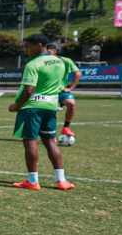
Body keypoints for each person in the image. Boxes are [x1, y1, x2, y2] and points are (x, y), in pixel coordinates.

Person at [9, 35, 75, 191]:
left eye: (28, 46)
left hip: (32, 108)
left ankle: (33, 181)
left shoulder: (33, 64)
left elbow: (29, 90)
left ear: (39, 45)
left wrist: (16, 106)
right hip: (51, 107)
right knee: (50, 141)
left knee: (30, 141)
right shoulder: (60, 61)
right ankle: (61, 180)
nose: (26, 50)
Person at [49, 41, 82, 141]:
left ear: (56, 51)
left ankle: (66, 128)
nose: (48, 51)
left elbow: (78, 74)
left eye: (51, 49)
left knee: (71, 103)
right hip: (48, 91)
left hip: (61, 90)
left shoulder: (66, 61)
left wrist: (71, 87)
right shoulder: (42, 61)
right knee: (50, 111)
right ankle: (51, 134)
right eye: (47, 49)